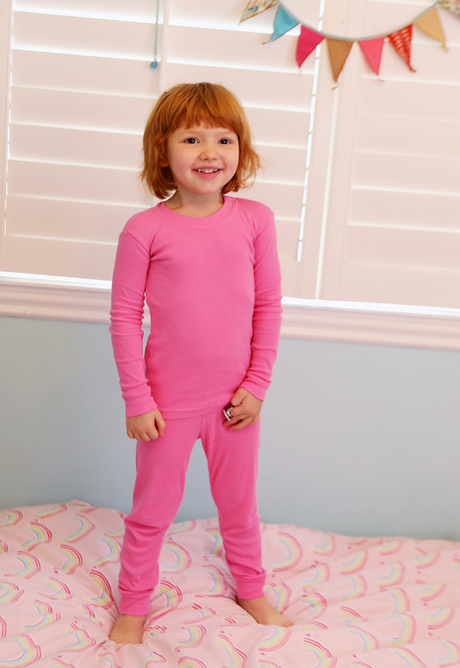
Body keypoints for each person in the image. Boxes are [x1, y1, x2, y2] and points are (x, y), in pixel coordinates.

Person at [109, 82, 291, 644]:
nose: (209, 152)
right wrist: (137, 399)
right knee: (151, 511)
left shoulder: (255, 220)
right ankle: (133, 605)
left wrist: (257, 385)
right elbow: (124, 318)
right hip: (166, 406)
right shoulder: (145, 229)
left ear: (240, 151)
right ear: (163, 152)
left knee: (239, 505)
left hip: (235, 402)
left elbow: (267, 305)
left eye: (223, 139)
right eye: (192, 139)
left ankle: (251, 589)